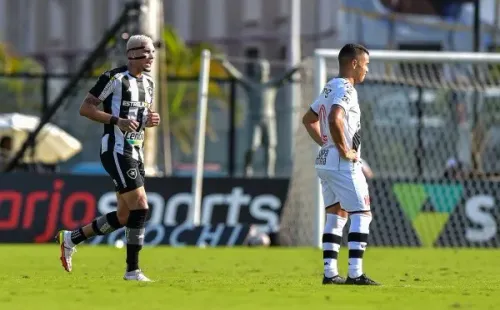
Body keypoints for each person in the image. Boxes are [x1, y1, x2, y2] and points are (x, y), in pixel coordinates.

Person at [56, 34, 160, 282]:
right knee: (141, 206)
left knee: (125, 216)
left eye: (153, 52)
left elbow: (140, 117)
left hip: (136, 151)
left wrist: (149, 120)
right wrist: (117, 120)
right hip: (116, 149)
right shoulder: (113, 78)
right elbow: (86, 108)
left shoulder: (149, 83)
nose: (151, 56)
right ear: (132, 53)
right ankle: (132, 271)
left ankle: (71, 238)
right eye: (146, 51)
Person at [302, 44, 379, 285]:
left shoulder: (329, 86)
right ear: (354, 64)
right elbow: (335, 117)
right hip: (342, 163)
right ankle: (355, 274)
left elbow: (308, 119)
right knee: (362, 214)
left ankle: (330, 273)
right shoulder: (346, 88)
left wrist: (325, 143)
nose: (367, 69)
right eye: (365, 64)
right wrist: (344, 149)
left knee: (336, 216)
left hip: (325, 161)